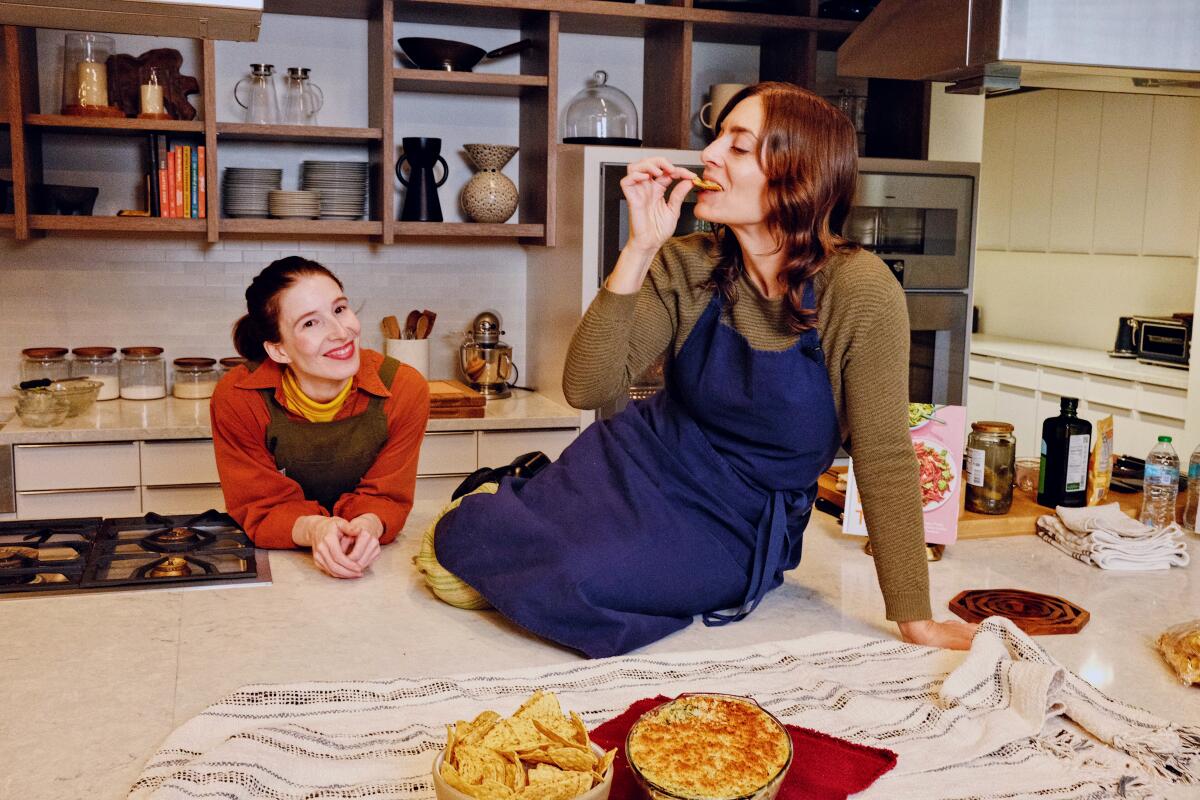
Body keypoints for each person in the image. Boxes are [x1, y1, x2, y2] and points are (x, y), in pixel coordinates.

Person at [416, 82, 976, 657]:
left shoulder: (859, 290)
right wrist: (638, 248)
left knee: (579, 575)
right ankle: (524, 510)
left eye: (739, 146)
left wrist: (916, 618)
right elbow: (586, 388)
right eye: (717, 140)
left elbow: (884, 455)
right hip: (636, 461)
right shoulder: (687, 261)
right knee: (470, 531)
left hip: (737, 522)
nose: (708, 155)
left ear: (799, 173)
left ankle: (533, 530)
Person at [212, 256, 430, 579]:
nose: (341, 332)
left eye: (340, 309)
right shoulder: (239, 399)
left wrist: (367, 526)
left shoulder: (403, 390)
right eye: (310, 323)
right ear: (278, 350)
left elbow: (386, 496)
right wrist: (315, 529)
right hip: (281, 573)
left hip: (370, 567)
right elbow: (261, 506)